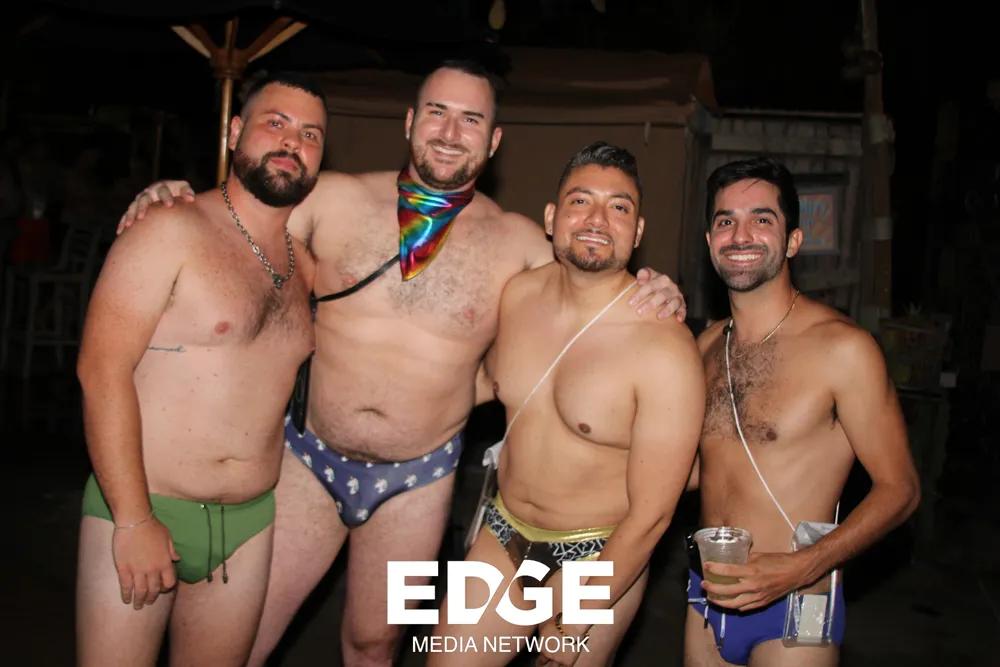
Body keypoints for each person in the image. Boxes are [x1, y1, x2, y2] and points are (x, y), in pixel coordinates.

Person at [118, 60, 688, 667]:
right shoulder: (331, 198)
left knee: (376, 644)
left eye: (471, 120)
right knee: (247, 638)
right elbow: (238, 220)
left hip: (420, 479)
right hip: (310, 459)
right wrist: (176, 198)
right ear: (411, 121)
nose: (451, 132)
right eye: (437, 112)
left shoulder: (521, 243)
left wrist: (655, 289)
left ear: (494, 140)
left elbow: (592, 282)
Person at [75, 73, 326, 667]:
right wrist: (133, 519)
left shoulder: (309, 267)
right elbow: (100, 369)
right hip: (143, 504)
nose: (291, 142)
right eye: (275, 123)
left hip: (249, 524)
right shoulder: (169, 228)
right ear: (235, 132)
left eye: (310, 134)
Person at [426, 142, 704, 667]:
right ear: (552, 218)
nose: (598, 219)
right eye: (581, 201)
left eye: (619, 207)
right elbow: (481, 382)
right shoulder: (515, 297)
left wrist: (576, 616)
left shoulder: (664, 347)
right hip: (503, 531)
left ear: (638, 232)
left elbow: (652, 516)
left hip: (600, 553)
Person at [684, 157, 921, 667]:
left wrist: (801, 567)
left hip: (795, 600)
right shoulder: (704, 348)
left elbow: (900, 489)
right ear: (709, 241)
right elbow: (699, 469)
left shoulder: (843, 349)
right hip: (707, 593)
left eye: (761, 219)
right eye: (725, 221)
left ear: (792, 240)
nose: (740, 235)